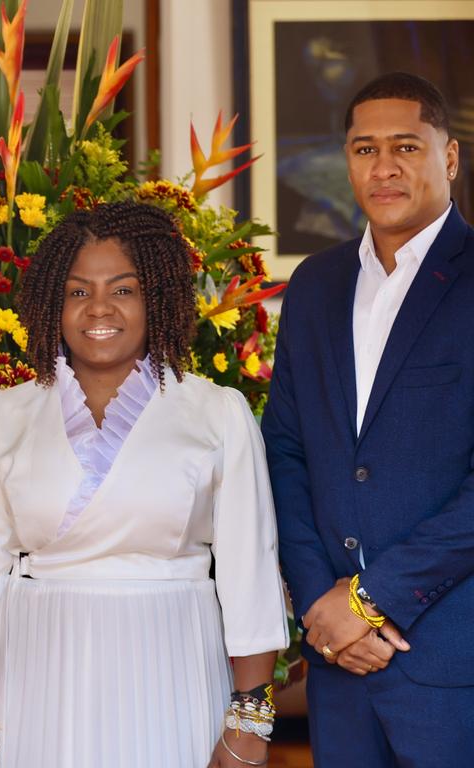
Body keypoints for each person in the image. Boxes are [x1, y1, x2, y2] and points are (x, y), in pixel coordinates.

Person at [0, 200, 289, 768]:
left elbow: (250, 574)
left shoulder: (216, 413)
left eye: (123, 290)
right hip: (36, 670)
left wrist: (250, 718)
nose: (99, 308)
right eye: (77, 291)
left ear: (158, 299)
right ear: (52, 302)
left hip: (173, 662)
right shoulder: (0, 415)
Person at [262, 71, 474, 766]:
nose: (382, 167)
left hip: (446, 660)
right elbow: (286, 451)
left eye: (406, 147)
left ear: (448, 157)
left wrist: (370, 600)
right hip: (338, 664)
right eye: (363, 149)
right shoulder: (315, 287)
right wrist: (322, 609)